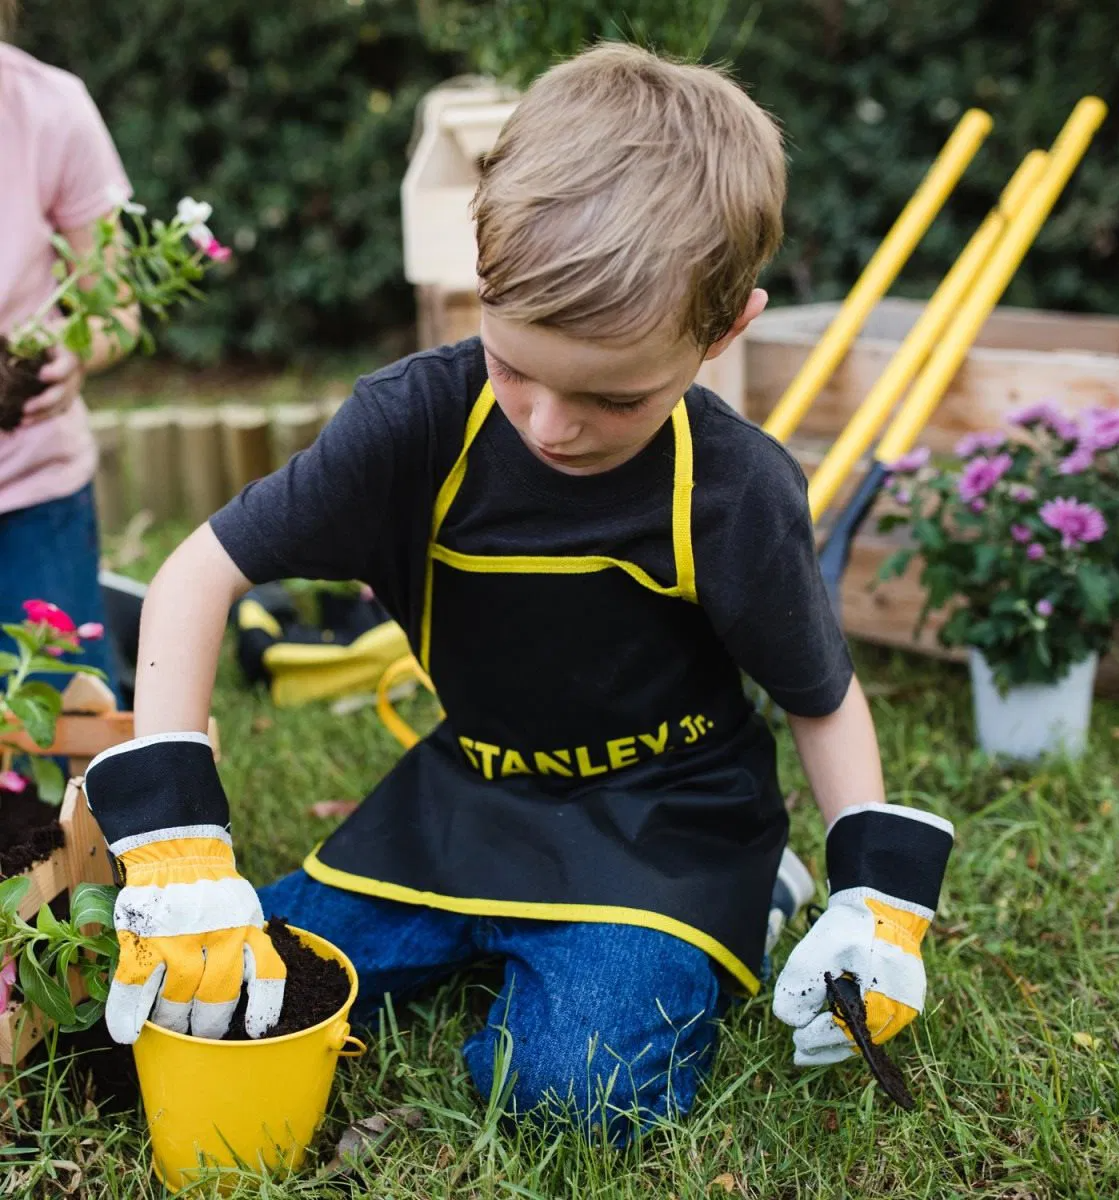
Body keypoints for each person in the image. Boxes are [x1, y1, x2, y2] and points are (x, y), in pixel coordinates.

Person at [83, 44, 954, 1141]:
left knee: (572, 1097)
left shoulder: (734, 491)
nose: (549, 426)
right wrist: (179, 842)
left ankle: (750, 895)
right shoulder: (409, 426)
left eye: (616, 397)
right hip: (470, 798)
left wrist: (870, 900)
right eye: (514, 368)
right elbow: (195, 572)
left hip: (667, 825)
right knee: (246, 996)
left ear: (724, 333)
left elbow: (820, 696)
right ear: (481, 284)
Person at [0, 6, 138, 683]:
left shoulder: (48, 110)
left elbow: (117, 307)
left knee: (63, 716)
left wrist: (75, 354)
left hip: (31, 488)